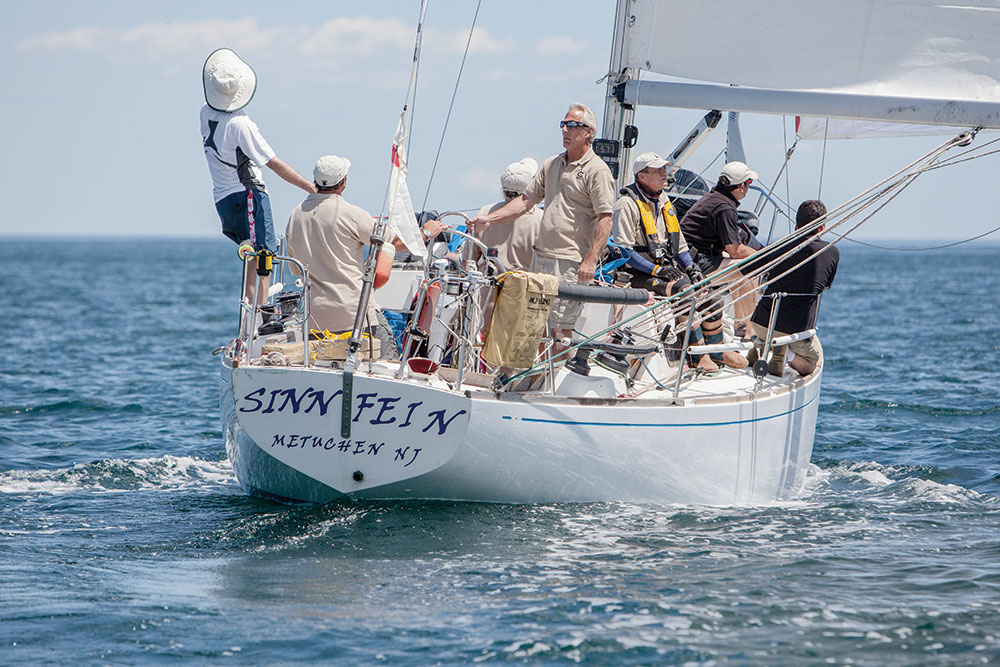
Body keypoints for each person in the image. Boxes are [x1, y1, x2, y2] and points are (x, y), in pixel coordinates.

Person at [469, 103, 615, 350]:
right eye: (563, 124)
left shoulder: (597, 171)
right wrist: (489, 220)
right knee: (533, 324)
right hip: (541, 258)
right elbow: (526, 201)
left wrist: (590, 261)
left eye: (572, 125)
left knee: (561, 329)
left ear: (589, 131)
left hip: (570, 261)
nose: (565, 130)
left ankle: (552, 382)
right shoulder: (552, 164)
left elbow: (606, 218)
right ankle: (533, 381)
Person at [284, 156, 443, 360]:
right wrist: (428, 233)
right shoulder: (351, 213)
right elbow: (394, 242)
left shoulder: (295, 216)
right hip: (354, 314)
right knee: (390, 359)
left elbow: (296, 270)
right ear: (343, 182)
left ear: (315, 181)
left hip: (314, 318)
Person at [200, 48, 315, 304]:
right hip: (248, 196)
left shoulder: (205, 114)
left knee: (253, 254)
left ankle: (250, 304)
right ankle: (260, 315)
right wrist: (311, 188)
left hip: (224, 201)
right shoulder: (241, 125)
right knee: (265, 258)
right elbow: (273, 163)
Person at [613, 152, 746, 370]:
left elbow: (680, 246)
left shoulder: (663, 201)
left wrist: (692, 269)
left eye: (664, 168)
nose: (664, 173)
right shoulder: (626, 204)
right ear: (642, 176)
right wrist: (657, 270)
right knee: (685, 290)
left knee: (710, 295)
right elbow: (624, 252)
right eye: (658, 170)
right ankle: (697, 356)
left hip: (663, 269)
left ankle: (717, 351)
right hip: (637, 274)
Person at [748, 200, 839, 376]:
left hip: (761, 323)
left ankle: (761, 344)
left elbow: (750, 270)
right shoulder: (831, 252)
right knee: (813, 365)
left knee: (768, 333)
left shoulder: (779, 247)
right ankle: (786, 353)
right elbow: (826, 286)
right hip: (794, 331)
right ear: (821, 228)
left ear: (797, 226)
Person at [679, 161, 762, 331]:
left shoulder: (714, 198)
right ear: (741, 187)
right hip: (694, 262)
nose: (748, 188)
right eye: (749, 184)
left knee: (740, 265)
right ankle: (748, 329)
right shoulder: (724, 207)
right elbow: (735, 250)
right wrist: (762, 255)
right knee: (750, 267)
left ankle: (741, 324)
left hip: (688, 255)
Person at [469, 158, 542, 271]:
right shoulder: (541, 219)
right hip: (523, 286)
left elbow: (468, 260)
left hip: (488, 285)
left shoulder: (484, 213)